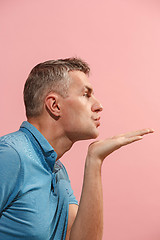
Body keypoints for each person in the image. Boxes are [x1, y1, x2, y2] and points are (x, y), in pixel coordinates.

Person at [0, 58, 153, 240]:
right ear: (55, 105)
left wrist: (94, 160)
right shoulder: (10, 155)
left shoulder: (57, 170)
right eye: (86, 95)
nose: (98, 105)